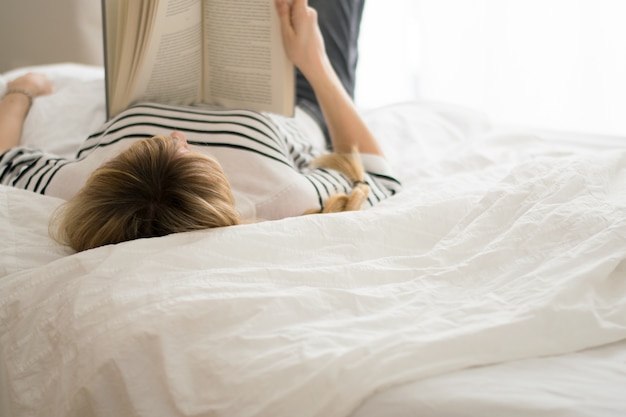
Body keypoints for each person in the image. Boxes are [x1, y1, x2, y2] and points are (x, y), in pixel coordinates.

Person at [0, 0, 401, 252]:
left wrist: (21, 90)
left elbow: (4, 159)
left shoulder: (86, 185)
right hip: (296, 91)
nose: (178, 134)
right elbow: (376, 175)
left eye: (146, 144)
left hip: (161, 75)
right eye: (185, 148)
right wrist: (314, 62)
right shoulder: (283, 196)